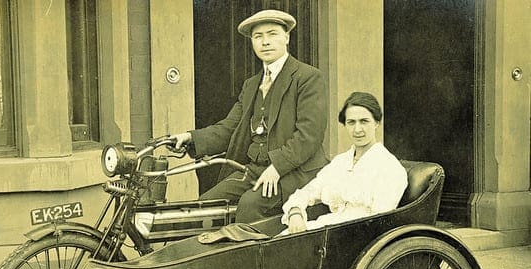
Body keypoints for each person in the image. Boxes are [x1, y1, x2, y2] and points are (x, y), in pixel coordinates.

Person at [171, 9, 328, 223]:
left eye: (272, 34)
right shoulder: (252, 84)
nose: (265, 42)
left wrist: (277, 167)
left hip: (296, 173)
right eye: (258, 36)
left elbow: (309, 136)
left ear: (287, 37)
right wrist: (191, 137)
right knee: (205, 207)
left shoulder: (308, 78)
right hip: (255, 170)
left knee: (250, 206)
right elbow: (229, 128)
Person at [282, 92, 408, 234]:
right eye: (351, 122)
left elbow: (379, 221)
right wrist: (295, 212)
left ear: (377, 123)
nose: (357, 129)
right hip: (328, 228)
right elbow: (308, 191)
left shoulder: (389, 167)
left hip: (355, 236)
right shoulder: (340, 162)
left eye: (364, 121)